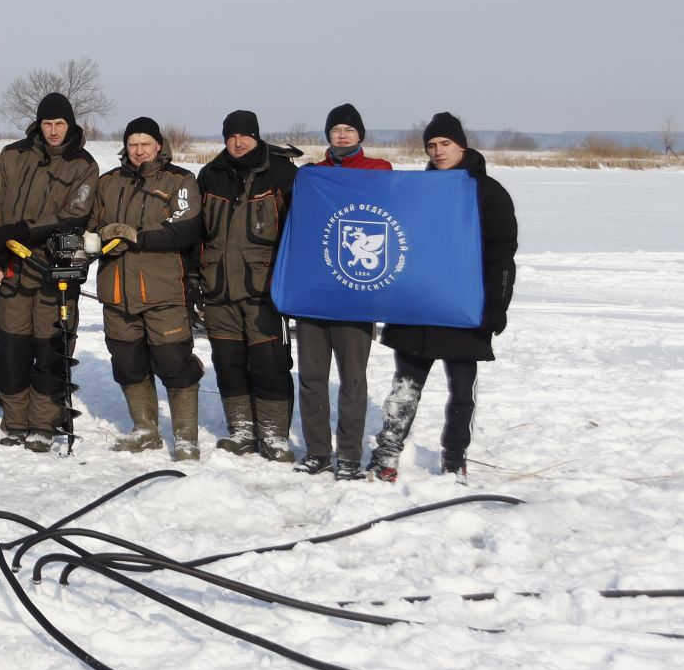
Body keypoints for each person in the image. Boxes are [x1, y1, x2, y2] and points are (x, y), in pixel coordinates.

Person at [369, 113, 517, 482]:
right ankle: (387, 453)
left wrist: (496, 306)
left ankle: (454, 458)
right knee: (404, 389)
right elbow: (397, 243)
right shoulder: (417, 189)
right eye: (431, 145)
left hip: (466, 307)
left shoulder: (489, 191)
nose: (437, 151)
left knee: (462, 391)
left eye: (445, 144)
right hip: (419, 305)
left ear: (461, 146)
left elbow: (502, 254)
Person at [0, 92, 99, 451]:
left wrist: (26, 231)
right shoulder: (13, 155)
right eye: (47, 123)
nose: (53, 131)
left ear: (70, 124)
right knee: (13, 348)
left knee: (51, 349)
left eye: (60, 124)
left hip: (54, 270)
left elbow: (75, 215)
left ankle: (45, 424)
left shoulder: (84, 164)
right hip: (13, 268)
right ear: (38, 124)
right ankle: (15, 421)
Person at [87, 118, 205, 459]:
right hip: (116, 290)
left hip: (163, 290)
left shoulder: (181, 180)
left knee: (174, 360)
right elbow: (92, 223)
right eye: (133, 144)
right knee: (127, 361)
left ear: (159, 146)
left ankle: (185, 437)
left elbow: (183, 228)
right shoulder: (108, 182)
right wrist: (106, 231)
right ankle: (145, 429)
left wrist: (135, 235)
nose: (138, 150)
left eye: (145, 144)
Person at [295, 103, 392, 479]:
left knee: (353, 379)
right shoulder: (313, 176)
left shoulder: (378, 171)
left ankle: (349, 453)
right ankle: (318, 451)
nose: (342, 135)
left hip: (356, 295)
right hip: (316, 295)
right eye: (336, 129)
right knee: (311, 378)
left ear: (360, 135)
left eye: (350, 129)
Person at [197, 109, 301, 463]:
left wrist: (289, 285)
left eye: (245, 136)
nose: (238, 142)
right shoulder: (210, 175)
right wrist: (196, 281)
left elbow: (297, 233)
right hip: (218, 289)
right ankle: (241, 430)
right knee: (227, 362)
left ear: (257, 137)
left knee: (270, 364)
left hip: (264, 292)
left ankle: (274, 435)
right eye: (231, 136)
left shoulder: (283, 173)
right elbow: (197, 235)